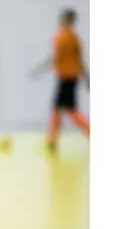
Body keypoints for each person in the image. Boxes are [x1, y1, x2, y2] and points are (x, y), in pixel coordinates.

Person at [31, 8, 89, 152]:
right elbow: (80, 61)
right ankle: (52, 142)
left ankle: (52, 142)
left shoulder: (61, 37)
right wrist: (87, 78)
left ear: (66, 20)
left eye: (61, 18)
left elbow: (55, 59)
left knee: (69, 110)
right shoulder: (76, 39)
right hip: (72, 78)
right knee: (59, 109)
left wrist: (40, 69)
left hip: (65, 79)